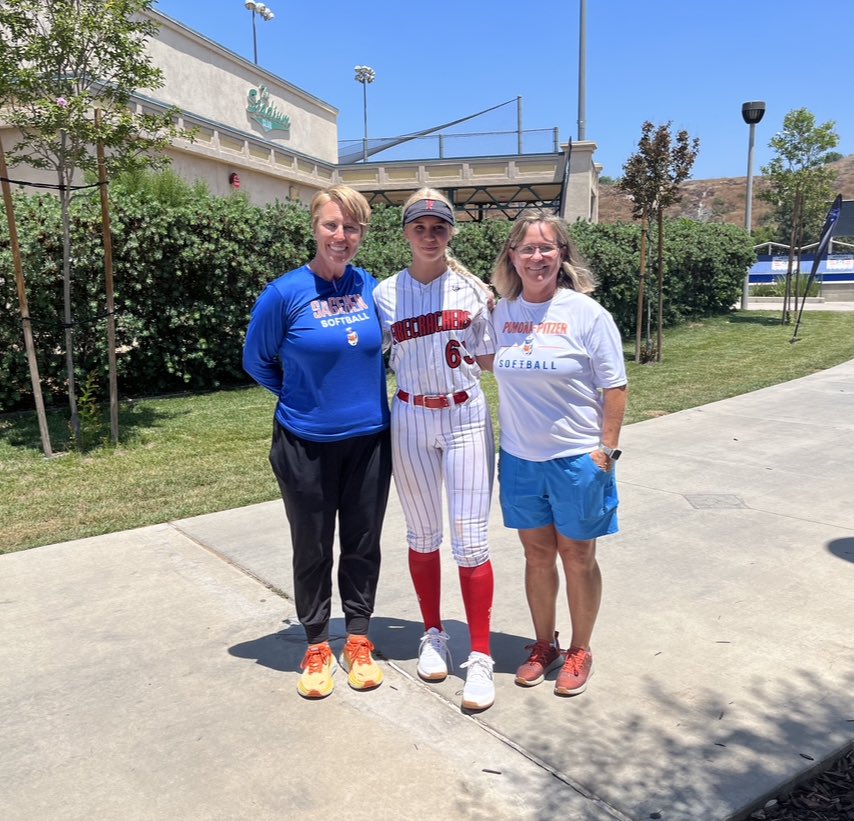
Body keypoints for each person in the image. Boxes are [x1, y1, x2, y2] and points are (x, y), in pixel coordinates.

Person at [243, 185, 392, 700]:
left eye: (352, 227)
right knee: (312, 547)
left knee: (363, 543)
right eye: (332, 225)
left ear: (362, 234)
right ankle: (315, 644)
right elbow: (256, 360)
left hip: (369, 440)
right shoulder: (284, 293)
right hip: (304, 443)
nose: (341, 236)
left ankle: (358, 638)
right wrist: (299, 395)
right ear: (315, 227)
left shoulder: (373, 288)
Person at [490, 209, 627, 697]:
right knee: (537, 555)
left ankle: (580, 649)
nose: (537, 257)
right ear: (512, 256)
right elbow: (484, 357)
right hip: (520, 458)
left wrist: (606, 450)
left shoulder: (586, 313)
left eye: (546, 247)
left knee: (577, 555)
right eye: (527, 248)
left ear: (562, 254)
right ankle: (543, 644)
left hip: (576, 458)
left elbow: (615, 385)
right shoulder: (502, 313)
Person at [373, 188, 497, 711]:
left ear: (452, 231)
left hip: (465, 413)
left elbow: (493, 360)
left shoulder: (475, 291)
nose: (429, 236)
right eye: (419, 227)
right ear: (405, 232)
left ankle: (481, 656)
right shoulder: (384, 294)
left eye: (439, 227)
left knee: (471, 541)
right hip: (410, 414)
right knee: (422, 534)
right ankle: (433, 633)